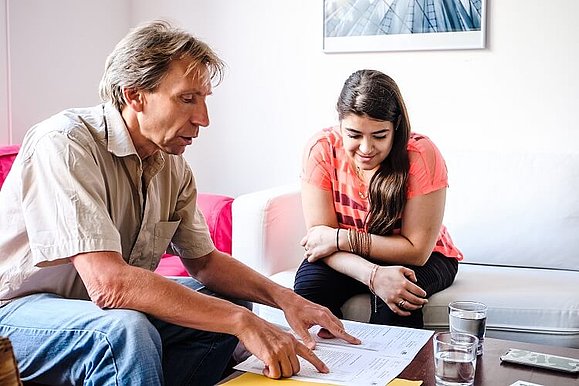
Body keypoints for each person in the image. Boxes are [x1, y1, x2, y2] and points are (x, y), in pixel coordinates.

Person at [0, 21, 360, 386]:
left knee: (226, 302)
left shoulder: (172, 165)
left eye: (204, 100)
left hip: (91, 309)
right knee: (126, 331)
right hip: (16, 312)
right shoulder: (64, 143)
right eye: (187, 99)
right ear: (135, 95)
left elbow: (204, 262)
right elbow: (110, 285)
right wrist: (241, 322)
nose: (203, 119)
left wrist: (285, 298)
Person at [294, 69, 463, 329]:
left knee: (399, 296)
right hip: (346, 254)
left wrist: (341, 238)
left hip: (425, 256)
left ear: (396, 127)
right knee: (309, 288)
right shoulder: (322, 149)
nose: (366, 148)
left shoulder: (420, 154)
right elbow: (319, 243)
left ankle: (398, 370)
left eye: (379, 136)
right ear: (340, 125)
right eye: (354, 135)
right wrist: (373, 275)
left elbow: (416, 251)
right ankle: (327, 366)